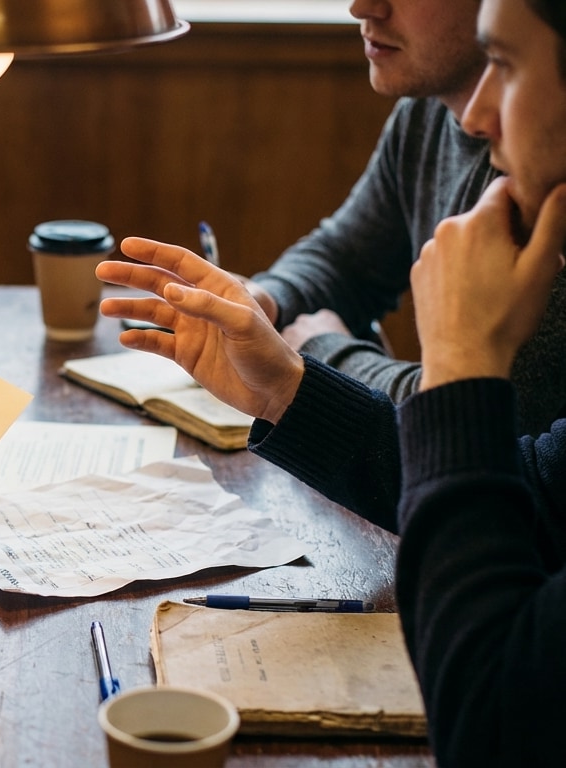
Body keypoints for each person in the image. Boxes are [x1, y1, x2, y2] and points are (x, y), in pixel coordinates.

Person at [98, 0, 566, 760]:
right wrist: (284, 384)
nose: (476, 117)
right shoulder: (433, 122)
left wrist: (442, 368)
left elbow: (486, 723)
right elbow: (539, 495)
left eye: (505, 66)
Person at [242, 0, 566, 436]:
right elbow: (348, 259)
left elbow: (476, 419)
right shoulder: (429, 109)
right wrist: (263, 302)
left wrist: (321, 353)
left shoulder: (545, 178)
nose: (360, 7)